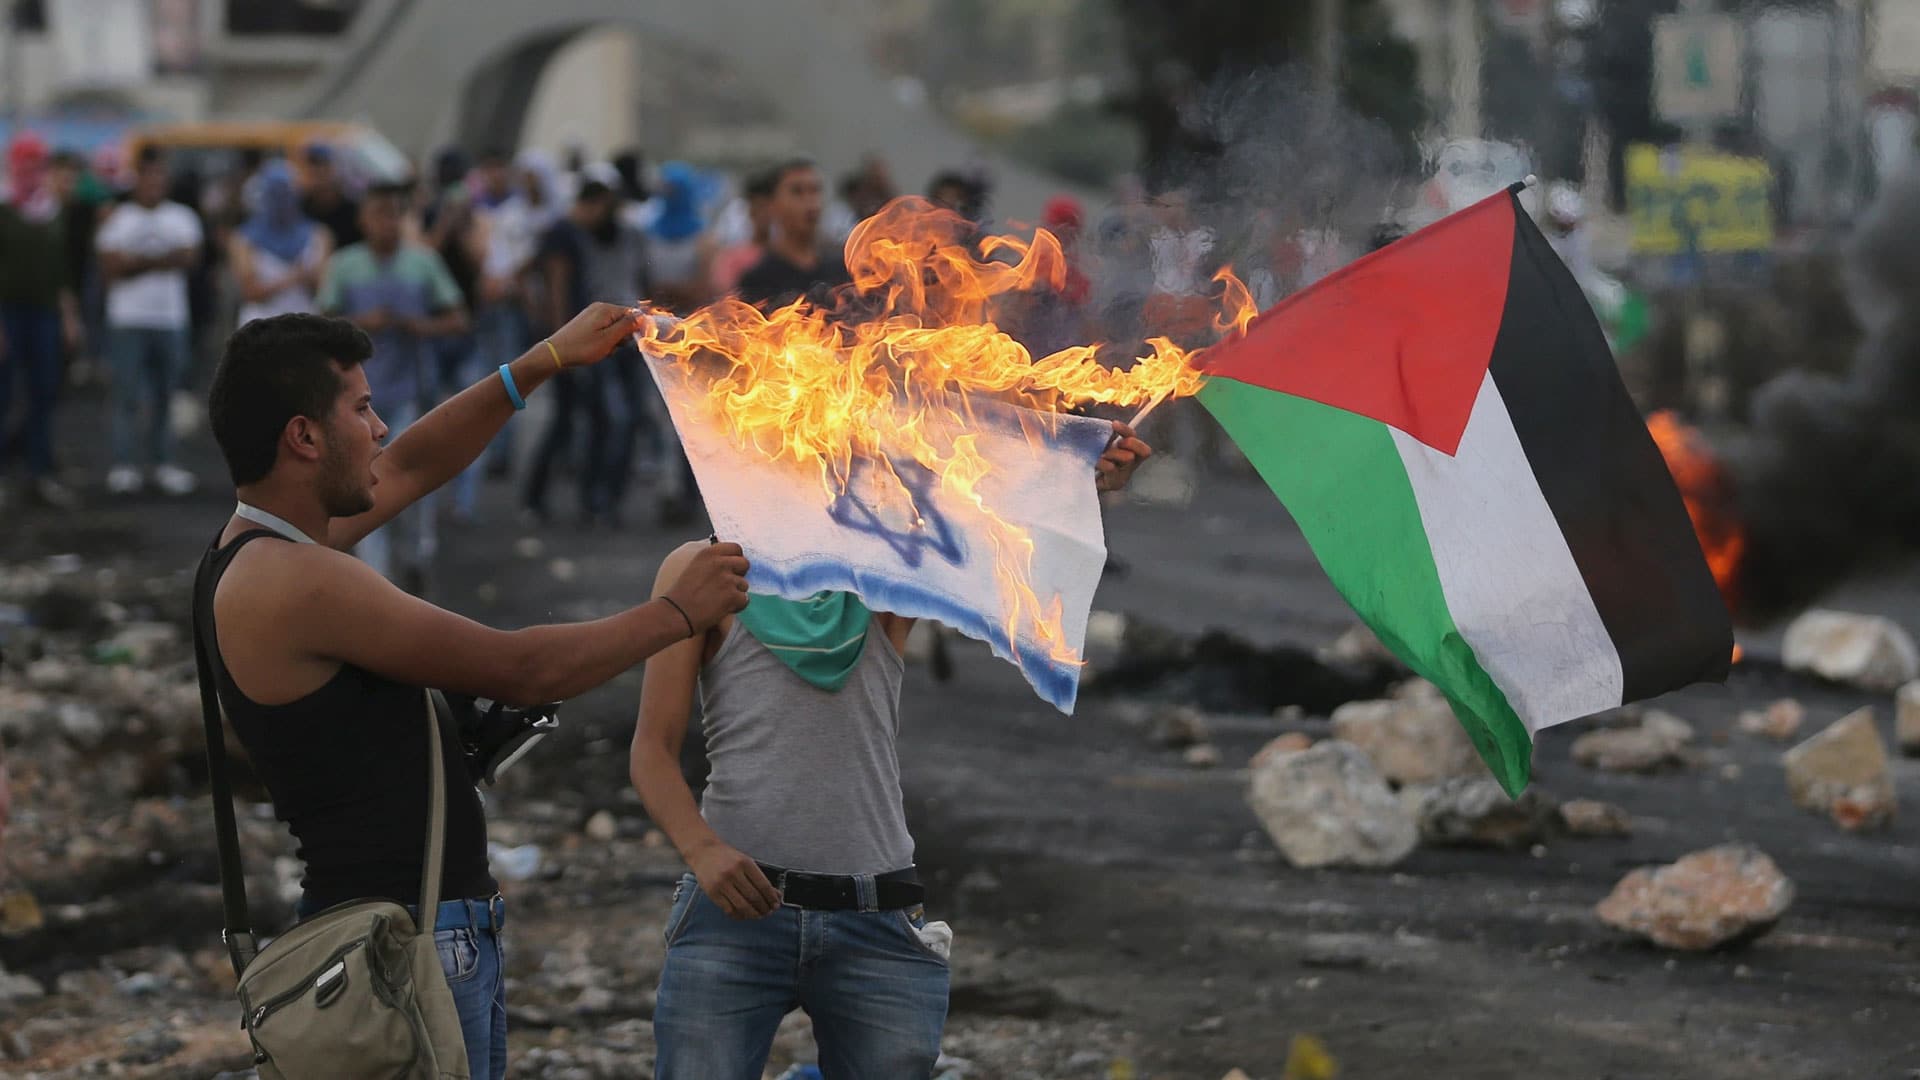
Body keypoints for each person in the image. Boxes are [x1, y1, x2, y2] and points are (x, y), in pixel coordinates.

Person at [197, 304, 753, 1080]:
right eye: (361, 408)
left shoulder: (263, 548)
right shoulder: (292, 580)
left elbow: (417, 463)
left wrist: (538, 363)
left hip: (412, 933)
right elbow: (521, 669)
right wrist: (674, 615)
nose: (382, 427)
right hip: (404, 947)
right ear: (304, 437)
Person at [631, 424, 1154, 1079]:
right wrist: (702, 851)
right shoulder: (705, 571)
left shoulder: (885, 570)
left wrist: (1077, 478)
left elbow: (996, 527)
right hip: (734, 918)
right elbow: (651, 749)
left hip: (875, 920)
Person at [316, 184, 468, 590]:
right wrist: (364, 321)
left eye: (392, 214)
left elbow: (457, 318)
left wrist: (417, 325)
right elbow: (322, 323)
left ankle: (417, 552)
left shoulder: (423, 264)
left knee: (412, 471)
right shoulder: (345, 265)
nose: (386, 223)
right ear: (364, 220)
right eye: (378, 214)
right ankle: (375, 576)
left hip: (411, 389)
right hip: (355, 397)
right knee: (363, 478)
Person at [521, 179, 646, 527]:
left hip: (598, 341)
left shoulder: (598, 235)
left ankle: (591, 499)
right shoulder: (565, 234)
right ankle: (543, 498)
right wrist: (562, 343)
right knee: (575, 422)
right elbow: (557, 289)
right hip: (578, 343)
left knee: (598, 421)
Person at [96, 147, 204, 498]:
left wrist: (136, 261)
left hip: (169, 319)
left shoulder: (183, 217)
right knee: (127, 394)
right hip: (128, 319)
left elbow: (189, 258)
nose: (154, 183)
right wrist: (162, 259)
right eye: (148, 176)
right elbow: (111, 267)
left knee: (165, 395)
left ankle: (163, 464)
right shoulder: (118, 218)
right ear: (137, 180)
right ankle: (125, 465)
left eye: (160, 176)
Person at [0, 133, 84, 509]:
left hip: (45, 312)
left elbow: (59, 270)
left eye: (38, 163)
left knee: (44, 391)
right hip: (8, 312)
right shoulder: (4, 207)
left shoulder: (51, 209)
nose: (32, 171)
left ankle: (38, 472)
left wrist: (68, 316)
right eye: (26, 163)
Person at [735, 159, 851, 310]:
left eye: (815, 190)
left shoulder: (841, 271)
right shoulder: (758, 280)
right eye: (797, 191)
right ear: (772, 204)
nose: (810, 201)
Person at [230, 160, 332, 325]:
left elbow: (324, 290)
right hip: (260, 326)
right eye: (275, 194)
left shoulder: (318, 234)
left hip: (306, 325)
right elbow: (250, 292)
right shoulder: (244, 238)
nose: (282, 202)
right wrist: (295, 276)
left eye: (287, 194)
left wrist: (310, 279)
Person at [645, 162, 714, 314]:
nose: (670, 196)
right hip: (654, 318)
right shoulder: (649, 233)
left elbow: (704, 287)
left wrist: (672, 290)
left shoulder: (702, 238)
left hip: (690, 319)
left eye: (675, 191)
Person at [710, 168, 775, 297]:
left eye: (770, 207)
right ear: (750, 210)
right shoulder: (733, 259)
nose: (766, 214)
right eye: (760, 207)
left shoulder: (791, 257)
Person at [299, 143, 362, 250]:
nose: (319, 174)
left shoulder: (352, 209)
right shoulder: (300, 207)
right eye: (314, 168)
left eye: (324, 167)